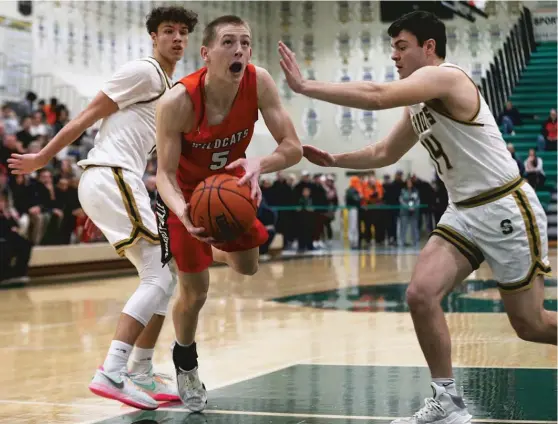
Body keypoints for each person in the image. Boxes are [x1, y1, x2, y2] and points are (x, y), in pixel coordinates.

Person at [278, 10, 556, 424]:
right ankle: (448, 402)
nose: (394, 56)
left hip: (503, 207)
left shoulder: (447, 77)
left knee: (530, 325)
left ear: (429, 48)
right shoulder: (417, 105)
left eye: (401, 46)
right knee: (420, 294)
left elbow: (375, 95)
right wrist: (335, 159)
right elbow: (383, 154)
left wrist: (304, 86)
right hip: (463, 212)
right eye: (392, 48)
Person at [8, 6, 199, 411]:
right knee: (157, 277)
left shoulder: (168, 85)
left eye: (183, 32)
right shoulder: (144, 71)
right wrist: (42, 156)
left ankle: (142, 370)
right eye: (169, 31)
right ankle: (113, 371)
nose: (178, 38)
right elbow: (89, 115)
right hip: (110, 174)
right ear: (154, 36)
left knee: (163, 278)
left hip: (116, 180)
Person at [155, 14, 303, 411]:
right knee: (196, 292)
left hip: (228, 193)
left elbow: (293, 147)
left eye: (245, 43)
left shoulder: (259, 82)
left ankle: (214, 250)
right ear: (206, 53)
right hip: (188, 198)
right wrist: (185, 215)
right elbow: (164, 175)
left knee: (249, 268)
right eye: (228, 42)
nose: (239, 50)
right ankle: (185, 361)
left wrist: (261, 163)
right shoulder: (179, 101)